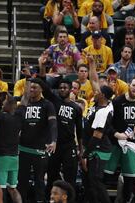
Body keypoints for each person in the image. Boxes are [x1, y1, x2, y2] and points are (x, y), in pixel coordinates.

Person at [38, 62, 83, 195]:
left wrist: (81, 149)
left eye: (65, 87)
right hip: (55, 145)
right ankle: (50, 198)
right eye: (60, 87)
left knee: (71, 178)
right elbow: (43, 86)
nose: (62, 89)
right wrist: (42, 66)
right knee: (51, 175)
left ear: (70, 90)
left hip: (69, 145)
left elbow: (79, 130)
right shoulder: (54, 100)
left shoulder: (76, 108)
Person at [17, 78, 57, 202]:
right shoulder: (24, 103)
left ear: (41, 89)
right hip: (23, 148)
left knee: (39, 180)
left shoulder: (47, 104)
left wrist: (54, 140)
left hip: (39, 149)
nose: (32, 90)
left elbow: (53, 124)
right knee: (22, 180)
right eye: (30, 87)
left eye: (35, 87)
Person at [81, 54, 114, 203]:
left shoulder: (103, 111)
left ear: (104, 96)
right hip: (92, 147)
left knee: (96, 180)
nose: (96, 91)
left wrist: (85, 155)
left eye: (99, 91)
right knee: (89, 181)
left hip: (98, 149)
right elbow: (94, 80)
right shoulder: (98, 102)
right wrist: (92, 63)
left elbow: (97, 136)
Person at [104, 77, 135, 202]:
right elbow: (107, 123)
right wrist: (116, 134)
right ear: (129, 85)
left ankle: (126, 200)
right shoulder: (117, 101)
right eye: (133, 85)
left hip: (131, 145)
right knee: (106, 175)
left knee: (129, 178)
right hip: (114, 143)